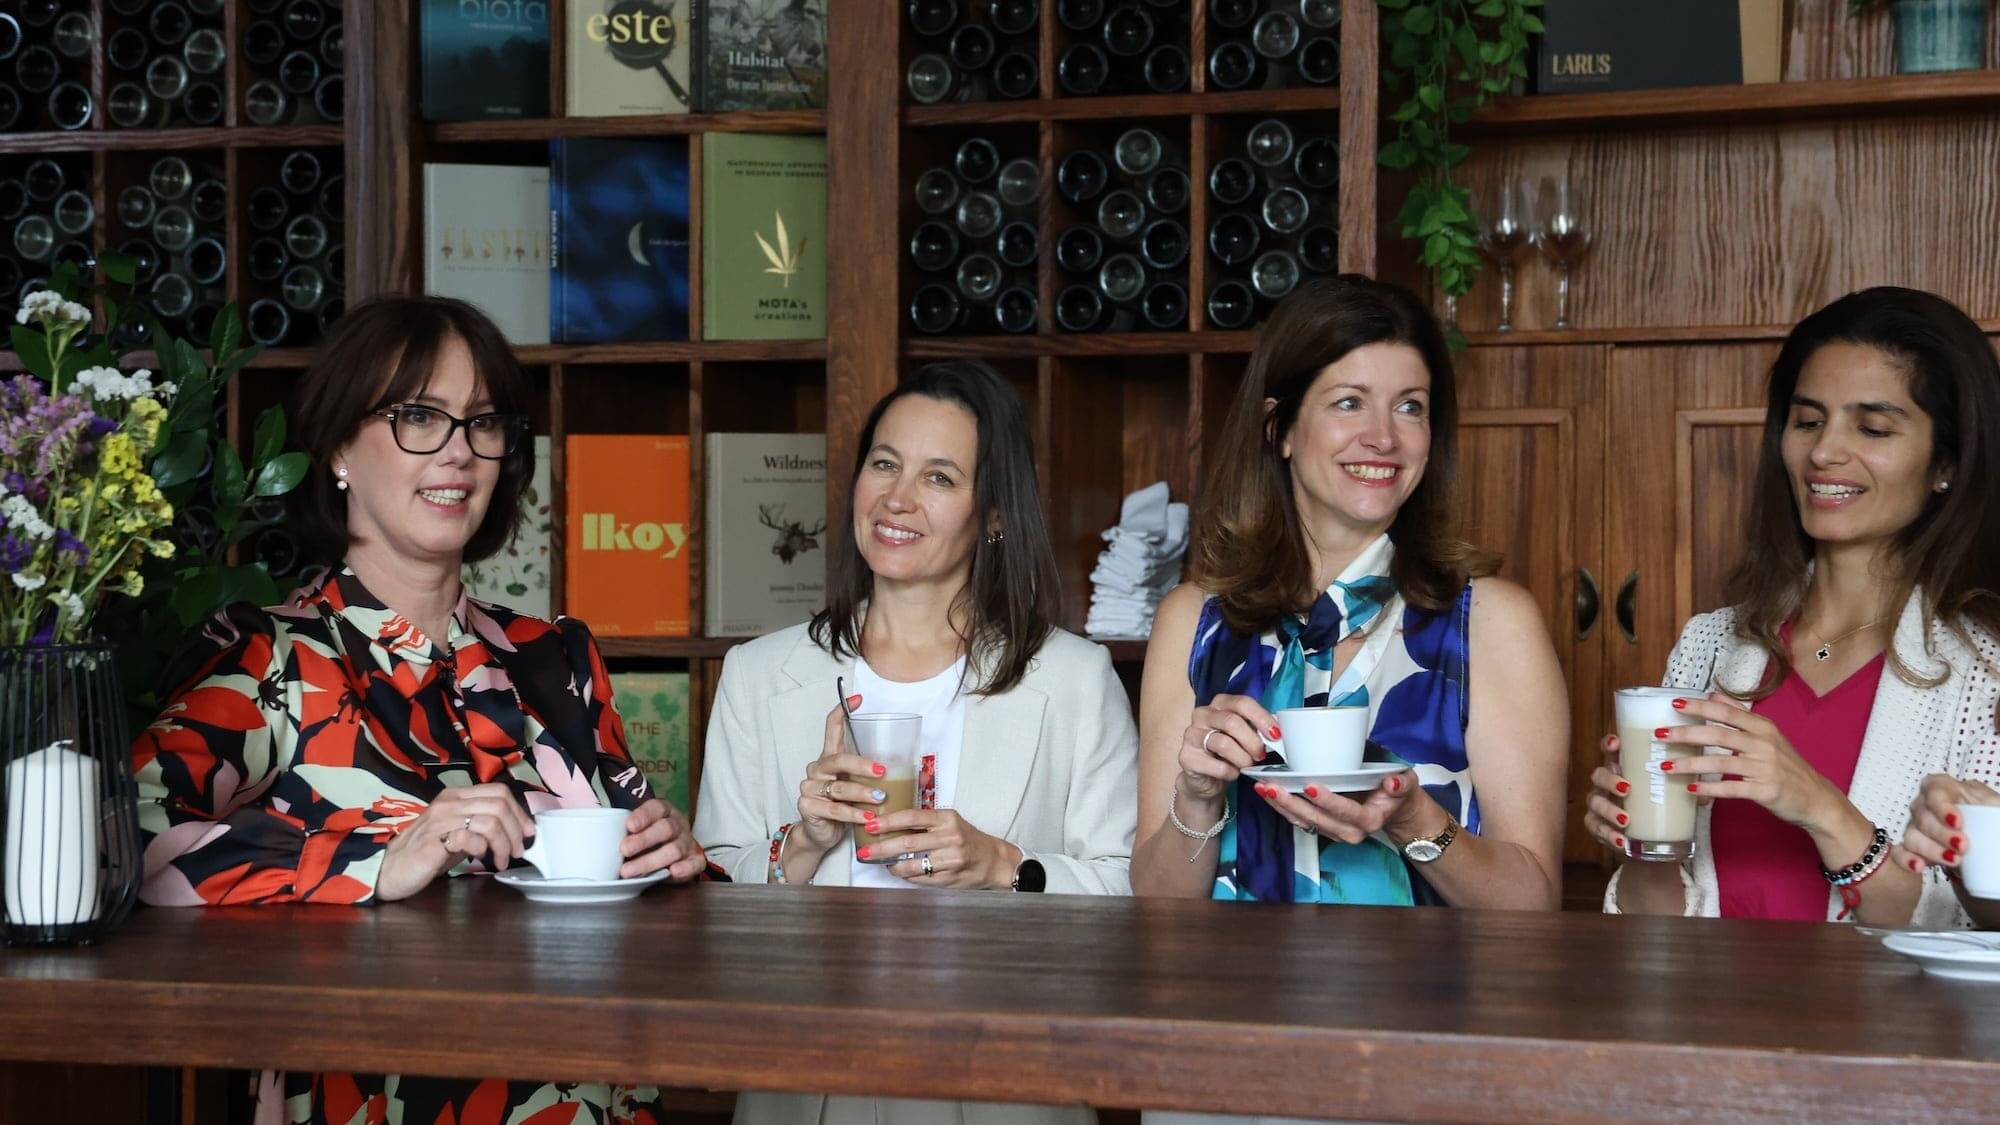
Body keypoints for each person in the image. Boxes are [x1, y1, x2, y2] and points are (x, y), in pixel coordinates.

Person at [132, 295, 703, 1124]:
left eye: (483, 422)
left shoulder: (555, 656)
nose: (459, 451)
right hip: (368, 1094)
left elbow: (638, 880)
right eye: (420, 417)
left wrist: (670, 850)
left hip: (584, 1088)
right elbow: (131, 842)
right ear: (338, 447)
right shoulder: (271, 656)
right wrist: (376, 859)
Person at [694, 359, 1136, 1125]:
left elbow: (1134, 901)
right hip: (809, 1080)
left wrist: (1002, 864)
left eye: (939, 477)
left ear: (993, 514)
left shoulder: (1072, 677)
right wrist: (803, 842)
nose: (898, 498)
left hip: (1005, 1081)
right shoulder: (759, 675)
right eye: (884, 464)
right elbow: (703, 909)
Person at [1131, 275, 1567, 912]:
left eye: (1410, 406)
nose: (1384, 437)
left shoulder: (1491, 622)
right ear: (1279, 428)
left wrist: (1413, 818)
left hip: (1431, 981)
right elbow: (1156, 905)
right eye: (1349, 403)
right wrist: (1196, 797)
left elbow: (1534, 901)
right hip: (1229, 978)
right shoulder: (1194, 621)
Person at [1584, 286, 2000, 926]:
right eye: (1807, 421)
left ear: (1946, 461)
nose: (1824, 452)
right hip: (1706, 994)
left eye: (1872, 428)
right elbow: (1653, 927)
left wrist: (1817, 805)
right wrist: (1645, 847)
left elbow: (1970, 928)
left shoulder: (1984, 674)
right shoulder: (1710, 644)